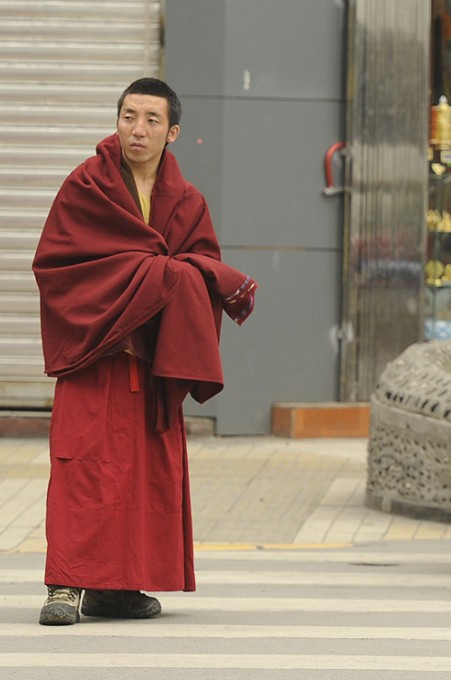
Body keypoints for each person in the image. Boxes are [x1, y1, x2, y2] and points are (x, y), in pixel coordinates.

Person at [32, 78, 257, 626]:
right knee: (81, 470)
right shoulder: (86, 187)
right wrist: (157, 274)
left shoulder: (187, 202)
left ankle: (119, 588)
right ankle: (65, 586)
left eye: (151, 120)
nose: (138, 129)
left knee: (142, 476)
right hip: (95, 356)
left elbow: (202, 270)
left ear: (172, 132)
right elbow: (57, 267)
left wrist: (168, 279)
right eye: (129, 116)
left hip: (152, 363)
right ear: (116, 121)